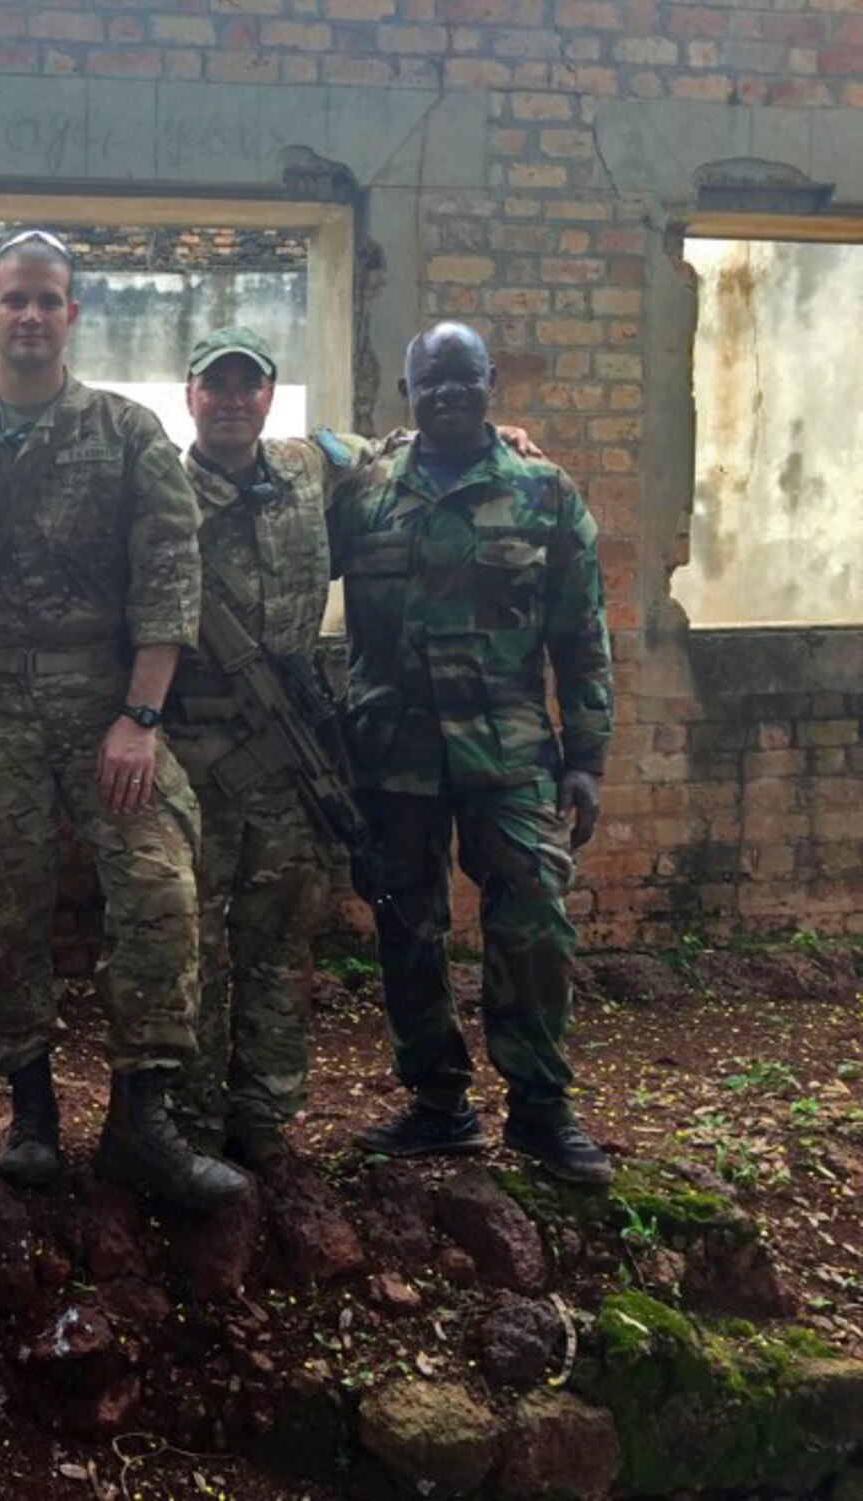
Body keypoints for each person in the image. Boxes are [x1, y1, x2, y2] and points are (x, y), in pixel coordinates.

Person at [0, 231, 247, 1211]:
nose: (29, 317)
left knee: (159, 885)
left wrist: (139, 713)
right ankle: (29, 1105)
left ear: (70, 315)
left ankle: (140, 1114)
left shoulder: (124, 433)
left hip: (105, 699)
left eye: (47, 301)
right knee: (1, 903)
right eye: (13, 301)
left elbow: (171, 573)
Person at [170, 327, 541, 1174]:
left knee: (277, 939)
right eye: (214, 385)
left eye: (248, 385)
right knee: (190, 944)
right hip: (194, 750)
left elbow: (410, 442)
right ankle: (189, 1122)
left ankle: (262, 1116)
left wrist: (502, 436)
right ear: (189, 394)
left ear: (269, 395)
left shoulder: (313, 468)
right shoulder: (155, 485)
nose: (232, 400)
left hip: (294, 753)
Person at [328, 320, 614, 1186]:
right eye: (431, 382)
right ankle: (437, 1105)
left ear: (492, 381)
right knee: (406, 927)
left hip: (511, 753)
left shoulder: (545, 492)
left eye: (465, 378)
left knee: (534, 923)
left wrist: (588, 756)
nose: (450, 393)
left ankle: (539, 1110)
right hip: (394, 755)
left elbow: (583, 634)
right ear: (406, 396)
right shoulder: (364, 492)